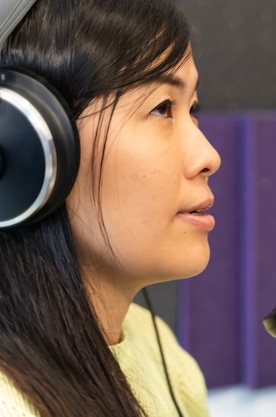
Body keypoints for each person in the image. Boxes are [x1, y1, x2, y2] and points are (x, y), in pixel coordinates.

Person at [0, 0, 220, 416]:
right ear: (22, 140)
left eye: (192, 110)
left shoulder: (160, 351)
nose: (208, 156)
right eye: (161, 108)